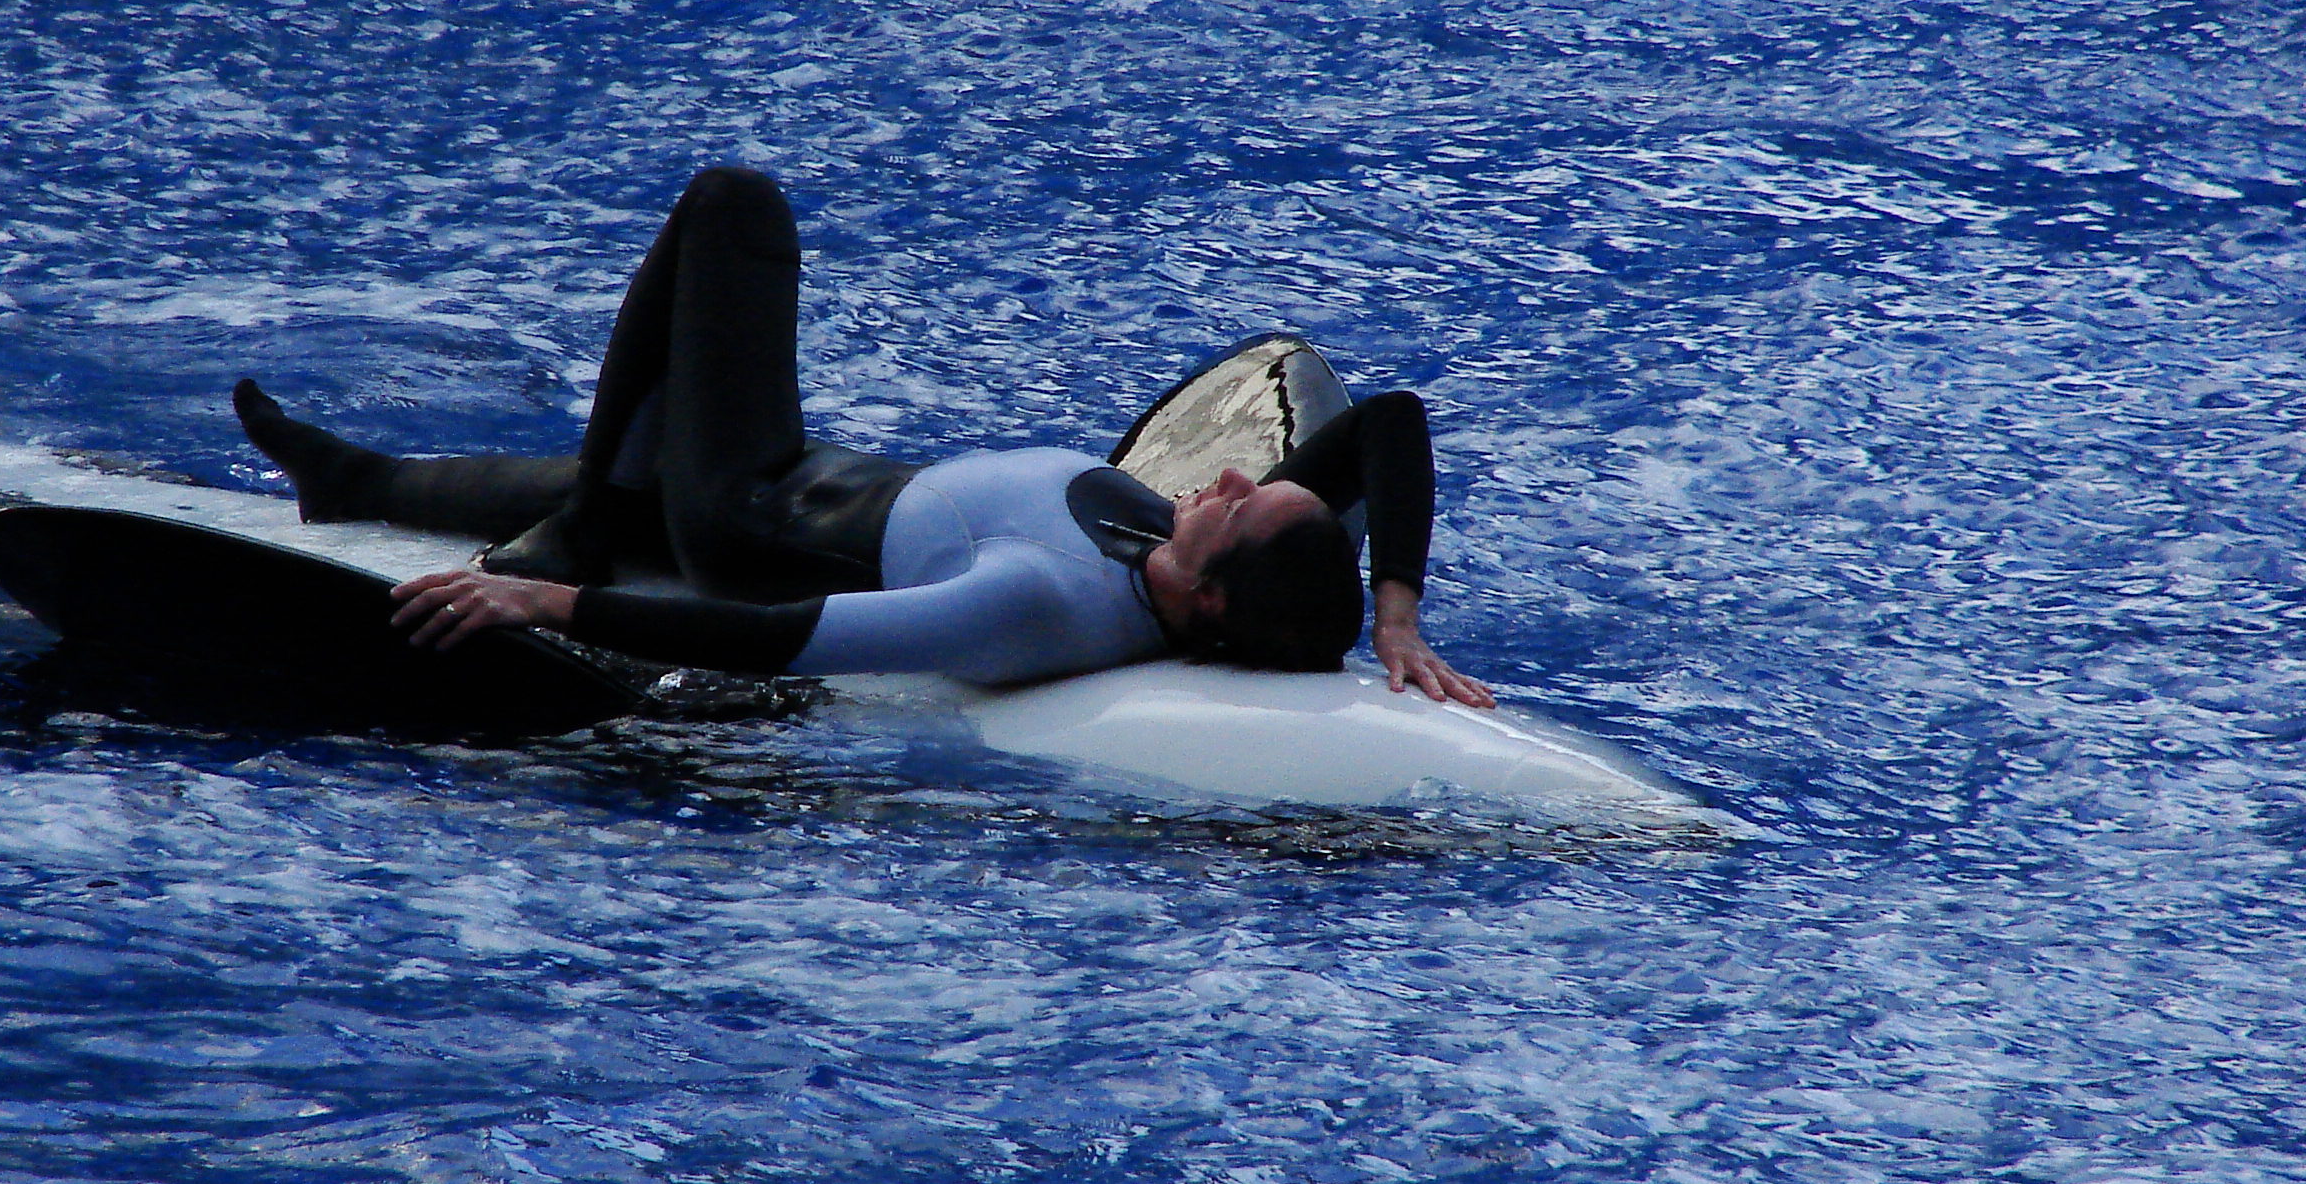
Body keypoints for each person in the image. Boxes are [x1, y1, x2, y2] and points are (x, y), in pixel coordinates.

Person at [233, 166, 1492, 707]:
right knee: (606, 459)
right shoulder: (1179, 552)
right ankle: (356, 480)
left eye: (1239, 506)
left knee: (735, 207)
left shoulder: (1038, 605)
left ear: (1207, 605)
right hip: (834, 479)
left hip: (747, 513)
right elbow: (1386, 421)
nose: (1229, 476)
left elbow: (777, 641)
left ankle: (593, 527)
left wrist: (556, 607)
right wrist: (1394, 614)